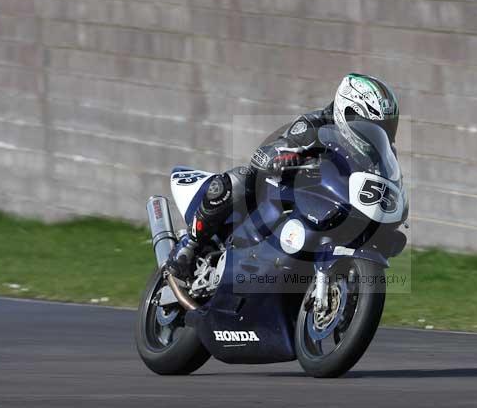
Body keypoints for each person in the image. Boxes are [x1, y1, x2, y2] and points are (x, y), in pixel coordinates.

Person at [167, 73, 400, 280]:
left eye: (384, 125)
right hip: (288, 192)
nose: (379, 131)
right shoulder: (313, 123)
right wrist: (284, 156)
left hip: (331, 208)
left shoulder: (380, 153)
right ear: (348, 112)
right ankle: (190, 245)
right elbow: (265, 154)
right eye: (371, 123)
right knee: (236, 180)